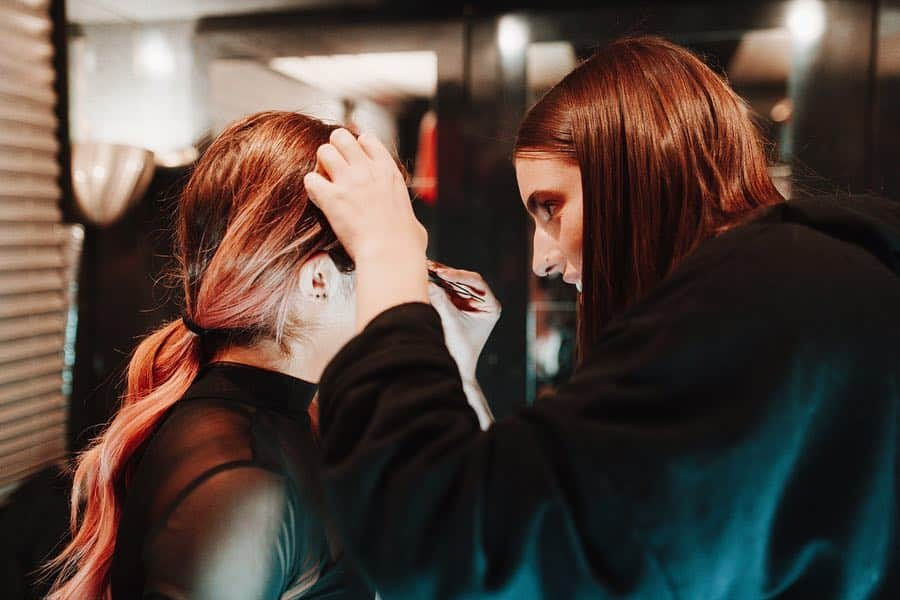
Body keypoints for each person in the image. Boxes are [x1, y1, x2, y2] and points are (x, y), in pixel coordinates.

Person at [303, 36, 900, 598]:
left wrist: (388, 253)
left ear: (634, 170)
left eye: (551, 207)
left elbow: (450, 543)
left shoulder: (764, 303)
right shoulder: (816, 285)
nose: (541, 259)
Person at [44, 111, 492, 599]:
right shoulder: (246, 477)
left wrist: (457, 368)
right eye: (379, 261)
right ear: (318, 280)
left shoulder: (289, 427)